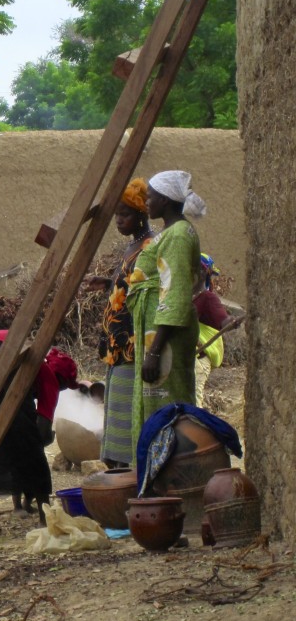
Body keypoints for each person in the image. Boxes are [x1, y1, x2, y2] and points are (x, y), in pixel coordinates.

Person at [0, 330, 80, 533]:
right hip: (5, 352)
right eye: (64, 387)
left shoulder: (35, 360)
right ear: (62, 380)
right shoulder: (46, 373)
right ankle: (44, 518)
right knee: (29, 442)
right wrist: (40, 437)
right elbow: (40, 432)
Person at [126, 170, 206, 457]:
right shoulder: (172, 233)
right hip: (156, 332)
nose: (146, 201)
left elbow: (175, 293)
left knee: (168, 404)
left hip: (165, 337)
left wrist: (155, 350)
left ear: (166, 200)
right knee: (158, 402)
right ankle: (159, 470)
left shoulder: (178, 236)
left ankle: (173, 467)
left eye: (151, 196)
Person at [84, 178, 155, 467]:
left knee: (126, 404)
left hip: (132, 343)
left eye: (124, 215)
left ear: (142, 214)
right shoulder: (133, 246)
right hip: (117, 342)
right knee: (114, 404)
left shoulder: (150, 247)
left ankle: (126, 465)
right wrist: (109, 283)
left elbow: (147, 289)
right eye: (116, 215)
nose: (118, 221)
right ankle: (116, 463)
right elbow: (128, 283)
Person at [193, 253, 241, 406]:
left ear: (202, 273)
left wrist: (231, 322)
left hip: (198, 359)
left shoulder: (207, 298)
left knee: (193, 403)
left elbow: (223, 320)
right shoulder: (180, 296)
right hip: (182, 360)